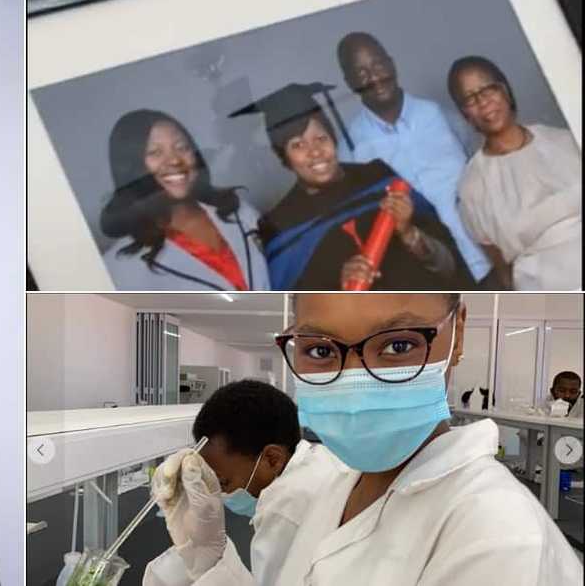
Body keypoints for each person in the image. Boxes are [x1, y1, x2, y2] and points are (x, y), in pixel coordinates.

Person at [141, 294, 583, 584]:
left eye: (398, 345)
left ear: (458, 332)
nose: (355, 384)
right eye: (320, 350)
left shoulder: (499, 539)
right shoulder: (345, 485)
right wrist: (208, 555)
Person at [232, 83, 471, 290]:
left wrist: (410, 234)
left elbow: (450, 268)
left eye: (320, 138)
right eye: (298, 145)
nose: (315, 152)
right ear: (283, 157)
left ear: (333, 138)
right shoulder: (281, 225)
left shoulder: (378, 178)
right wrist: (339, 291)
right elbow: (299, 313)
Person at [144, 380, 345, 585]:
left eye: (223, 482)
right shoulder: (319, 463)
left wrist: (208, 551)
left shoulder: (286, 507)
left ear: (272, 459)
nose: (222, 494)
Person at [334, 32, 490, 286]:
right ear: (349, 82)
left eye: (378, 64)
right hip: (427, 282)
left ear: (392, 64)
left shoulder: (437, 114)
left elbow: (482, 167)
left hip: (488, 259)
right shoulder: (350, 149)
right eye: (361, 72)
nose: (374, 77)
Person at [447, 55, 582, 290]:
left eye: (488, 89)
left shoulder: (565, 141)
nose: (483, 102)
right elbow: (502, 271)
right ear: (464, 115)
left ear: (505, 91)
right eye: (470, 98)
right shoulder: (472, 188)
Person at [100, 109, 270, 291]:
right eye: (155, 152)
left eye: (182, 147)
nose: (174, 160)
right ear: (131, 168)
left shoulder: (239, 211)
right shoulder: (121, 265)